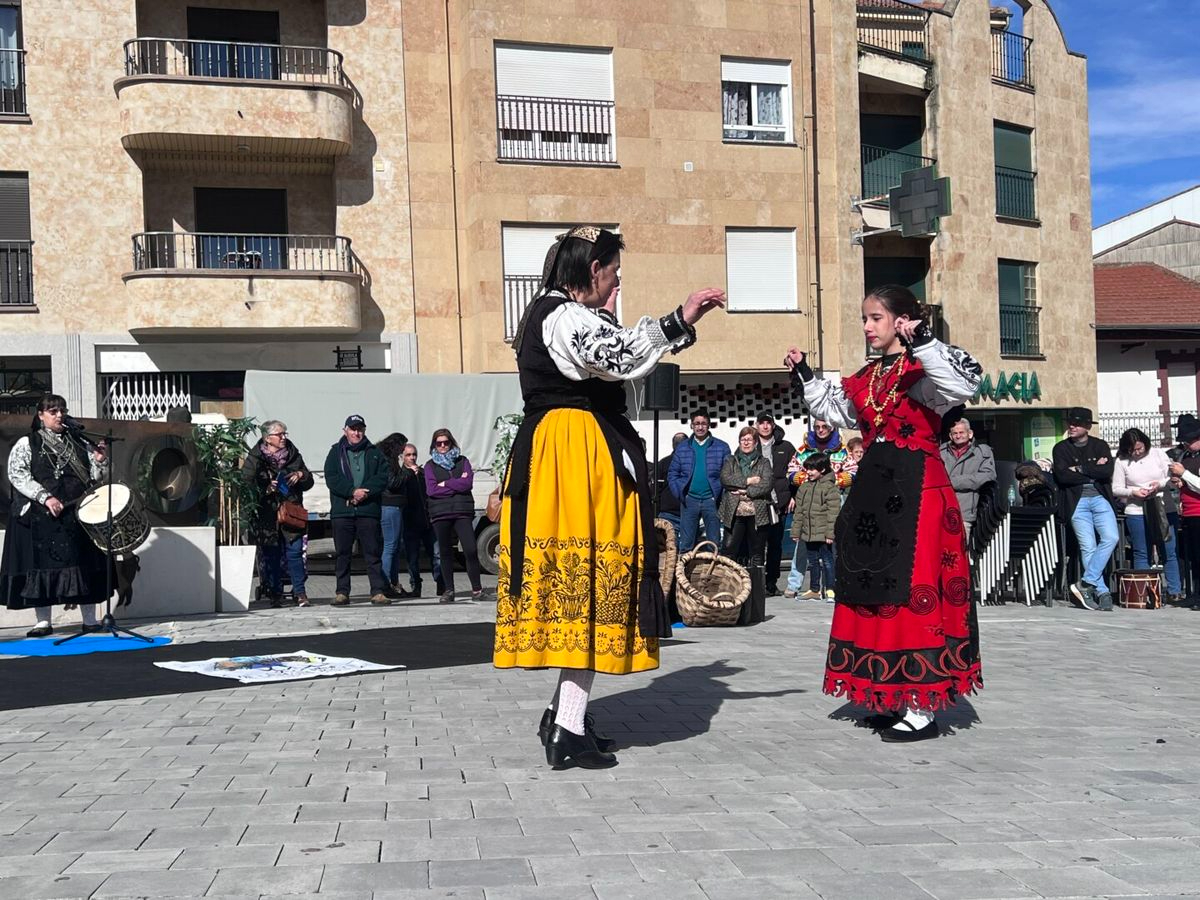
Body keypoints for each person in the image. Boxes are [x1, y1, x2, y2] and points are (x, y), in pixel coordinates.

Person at [495, 224, 724, 770]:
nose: (616, 281)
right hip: (576, 453)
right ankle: (566, 731)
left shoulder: (556, 313)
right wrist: (679, 319)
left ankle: (564, 716)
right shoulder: (565, 316)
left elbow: (616, 357)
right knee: (594, 583)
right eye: (613, 272)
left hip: (569, 447)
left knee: (593, 583)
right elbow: (619, 358)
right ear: (591, 270)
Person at [784, 283, 983, 743]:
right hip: (875, 495)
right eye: (864, 318)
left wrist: (926, 340)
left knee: (914, 591)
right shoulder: (869, 375)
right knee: (876, 587)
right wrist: (806, 373)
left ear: (899, 320)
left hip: (919, 494)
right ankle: (890, 694)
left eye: (875, 318)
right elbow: (837, 408)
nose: (868, 326)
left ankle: (921, 706)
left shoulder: (924, 370)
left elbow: (964, 384)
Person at [1, 394, 111, 637]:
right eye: (53, 411)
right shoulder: (28, 443)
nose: (59, 415)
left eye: (62, 410)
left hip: (76, 511)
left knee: (84, 564)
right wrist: (45, 497)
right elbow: (17, 474)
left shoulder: (80, 442)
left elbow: (95, 478)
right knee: (41, 566)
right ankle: (43, 622)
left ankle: (90, 619)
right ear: (40, 415)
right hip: (42, 515)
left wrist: (100, 462)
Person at [242, 420, 314, 607]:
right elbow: (245, 483)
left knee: (295, 553)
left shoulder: (292, 453)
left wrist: (301, 475)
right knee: (271, 555)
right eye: (280, 434)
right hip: (267, 514)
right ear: (267, 438)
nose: (284, 437)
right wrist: (266, 488)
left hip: (291, 511)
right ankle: (275, 594)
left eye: (285, 434)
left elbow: (309, 480)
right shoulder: (256, 456)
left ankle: (300, 593)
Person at [1052, 408, 1118, 612]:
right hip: (1077, 502)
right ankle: (1102, 591)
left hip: (1100, 498)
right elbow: (1062, 476)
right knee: (1087, 546)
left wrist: (1079, 469)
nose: (1072, 426)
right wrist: (1091, 472)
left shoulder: (1100, 445)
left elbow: (1107, 471)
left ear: (1088, 427)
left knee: (1111, 538)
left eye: (1077, 423)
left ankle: (1086, 582)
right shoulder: (1061, 448)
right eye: (1070, 423)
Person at [323, 414, 391, 606]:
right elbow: (332, 477)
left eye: (360, 429)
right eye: (353, 429)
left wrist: (364, 493)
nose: (356, 432)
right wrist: (351, 491)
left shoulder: (374, 452)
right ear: (345, 430)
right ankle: (342, 592)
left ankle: (377, 591)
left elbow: (382, 477)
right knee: (343, 554)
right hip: (342, 512)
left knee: (372, 553)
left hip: (368, 511)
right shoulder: (335, 452)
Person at [1113, 427, 1184, 603]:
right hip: (1136, 509)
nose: (1137, 453)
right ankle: (1142, 592)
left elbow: (1171, 478)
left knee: (1168, 550)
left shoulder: (1158, 454)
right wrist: (1133, 492)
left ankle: (1174, 590)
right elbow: (1116, 488)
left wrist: (1158, 485)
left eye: (1140, 448)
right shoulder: (1121, 462)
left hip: (1162, 507)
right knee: (1141, 551)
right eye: (1132, 450)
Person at [424, 428, 484, 604]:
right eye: (439, 443)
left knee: (471, 550)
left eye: (446, 442)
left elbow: (467, 484)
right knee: (444, 552)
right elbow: (432, 490)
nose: (443, 446)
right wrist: (455, 484)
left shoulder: (462, 461)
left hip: (462, 512)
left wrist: (446, 483)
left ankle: (477, 589)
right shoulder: (430, 466)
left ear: (451, 443)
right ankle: (449, 590)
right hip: (440, 513)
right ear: (434, 444)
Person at [667, 410, 731, 552]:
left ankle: (712, 573)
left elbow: (728, 474)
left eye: (703, 424)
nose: (700, 427)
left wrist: (720, 494)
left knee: (714, 543)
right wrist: (680, 493)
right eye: (697, 424)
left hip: (712, 501)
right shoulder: (682, 448)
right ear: (691, 425)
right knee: (686, 544)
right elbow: (672, 473)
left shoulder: (722, 447)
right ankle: (684, 573)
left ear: (709, 425)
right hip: (690, 500)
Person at [717, 426, 774, 566]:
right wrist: (749, 481)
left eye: (749, 439)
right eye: (743, 440)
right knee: (729, 549)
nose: (746, 443)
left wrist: (745, 491)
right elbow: (725, 479)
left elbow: (767, 484)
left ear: (755, 442)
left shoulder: (764, 462)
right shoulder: (731, 460)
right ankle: (730, 584)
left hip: (757, 511)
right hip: (734, 511)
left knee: (757, 551)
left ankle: (757, 586)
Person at [939, 418, 997, 546]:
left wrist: (953, 482)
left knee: (959, 551)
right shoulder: (941, 452)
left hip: (964, 511)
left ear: (970, 434)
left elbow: (988, 475)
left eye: (961, 432)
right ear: (950, 435)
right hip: (941, 509)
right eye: (955, 433)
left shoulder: (982, 452)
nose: (958, 436)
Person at [756, 413, 796, 596]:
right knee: (757, 544)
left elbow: (797, 472)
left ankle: (771, 582)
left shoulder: (785, 447)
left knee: (775, 544)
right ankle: (756, 582)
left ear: (773, 425)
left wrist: (793, 496)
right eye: (761, 423)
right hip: (757, 502)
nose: (765, 426)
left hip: (778, 502)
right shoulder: (750, 444)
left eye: (768, 423)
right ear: (756, 425)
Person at [791, 452, 839, 602]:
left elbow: (833, 513)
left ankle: (831, 589)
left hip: (824, 533)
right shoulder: (804, 488)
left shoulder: (830, 488)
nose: (809, 472)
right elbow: (799, 512)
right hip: (809, 532)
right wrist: (796, 531)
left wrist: (830, 534)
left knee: (827, 561)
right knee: (812, 562)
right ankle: (814, 589)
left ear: (822, 470)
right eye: (807, 469)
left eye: (812, 469)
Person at [399, 443, 443, 597]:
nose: (412, 458)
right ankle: (416, 586)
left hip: (428, 521)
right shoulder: (401, 475)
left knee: (437, 554)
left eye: (414, 454)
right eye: (408, 455)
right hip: (410, 522)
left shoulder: (424, 473)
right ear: (402, 457)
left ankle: (441, 584)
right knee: (412, 557)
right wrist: (409, 474)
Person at [1168, 414, 1200, 604]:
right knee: (1194, 558)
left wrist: (1184, 474)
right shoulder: (1187, 456)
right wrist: (1180, 481)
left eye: (1188, 441)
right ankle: (1196, 593)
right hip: (1188, 512)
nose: (1186, 444)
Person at [377, 432, 414, 599]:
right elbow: (392, 482)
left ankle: (393, 583)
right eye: (402, 446)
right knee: (391, 546)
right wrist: (408, 472)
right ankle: (386, 585)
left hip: (392, 505)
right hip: (390, 505)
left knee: (394, 547)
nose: (402, 450)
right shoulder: (387, 460)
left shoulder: (385, 457)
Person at [789, 419, 853, 494]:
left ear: (831, 428)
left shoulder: (842, 450)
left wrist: (831, 481)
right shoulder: (803, 450)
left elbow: (853, 472)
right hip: (809, 495)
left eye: (824, 427)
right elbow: (791, 472)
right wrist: (809, 479)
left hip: (834, 496)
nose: (820, 430)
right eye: (817, 427)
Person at [654, 432, 688, 536]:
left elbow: (655, 490)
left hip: (667, 514)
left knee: (669, 550)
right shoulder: (693, 464)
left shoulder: (663, 463)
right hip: (688, 513)